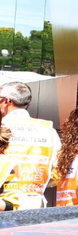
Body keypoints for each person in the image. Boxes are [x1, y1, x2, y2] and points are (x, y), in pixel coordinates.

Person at [0, 81, 62, 211]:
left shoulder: (3, 129)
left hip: (4, 204)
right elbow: (58, 171)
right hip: (35, 205)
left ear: (6, 101)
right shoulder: (48, 130)